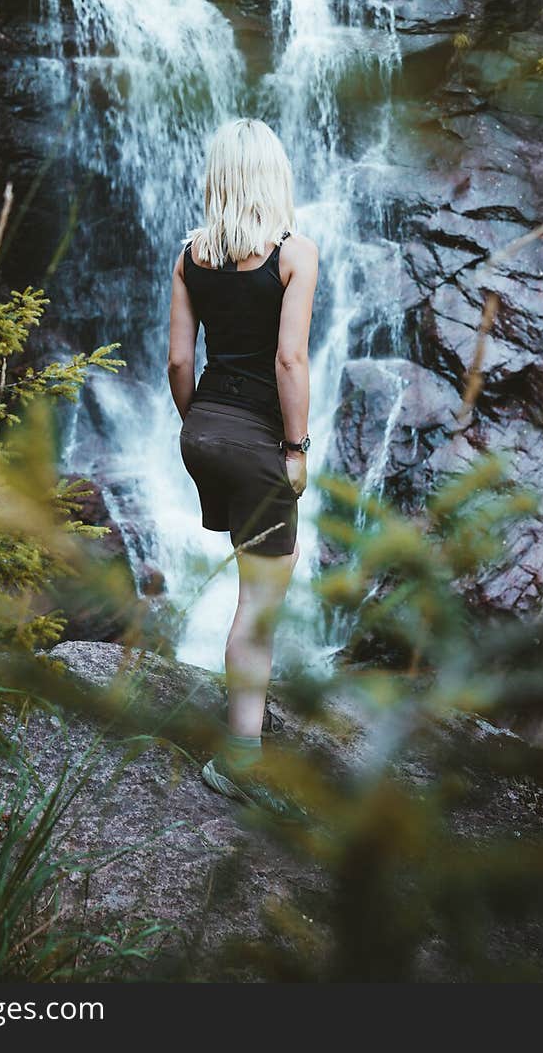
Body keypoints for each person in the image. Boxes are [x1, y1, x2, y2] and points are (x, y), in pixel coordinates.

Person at [167, 117, 319, 817]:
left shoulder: (189, 255)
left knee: (252, 580)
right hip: (259, 446)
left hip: (202, 433)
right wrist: (295, 451)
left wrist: (198, 428)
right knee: (259, 607)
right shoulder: (294, 254)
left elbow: (177, 361)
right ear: (272, 174)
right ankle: (240, 762)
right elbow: (289, 360)